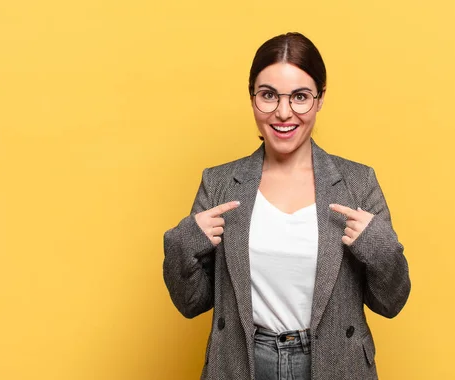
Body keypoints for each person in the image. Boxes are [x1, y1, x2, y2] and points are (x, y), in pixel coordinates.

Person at [163, 32, 411, 380]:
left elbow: (391, 303)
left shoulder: (358, 183)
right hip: (243, 362)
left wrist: (381, 248)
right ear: (252, 97)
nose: (283, 112)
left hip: (334, 362)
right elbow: (190, 303)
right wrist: (182, 243)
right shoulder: (218, 183)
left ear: (320, 98)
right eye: (268, 95)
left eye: (299, 97)